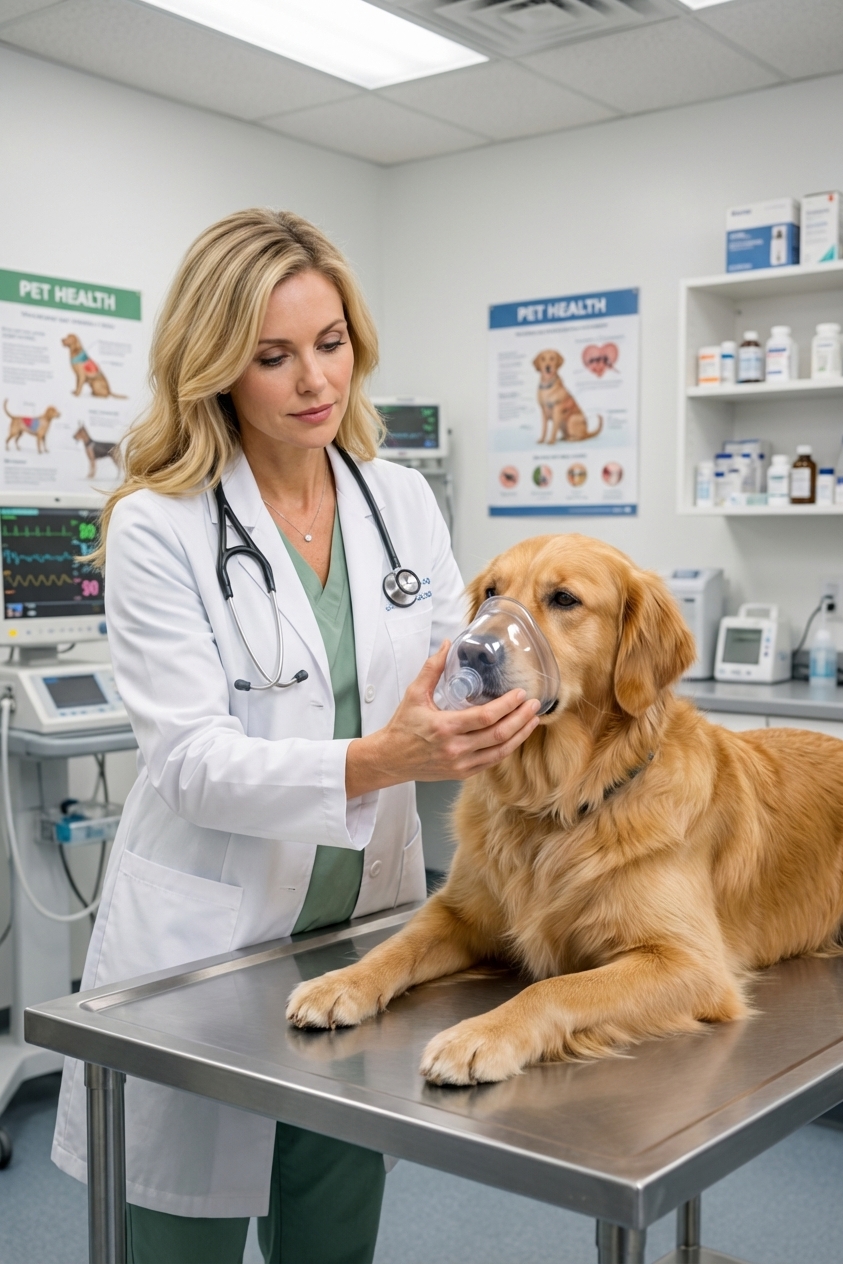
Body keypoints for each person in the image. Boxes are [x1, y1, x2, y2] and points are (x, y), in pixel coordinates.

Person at [51, 208, 541, 1264]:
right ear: (217, 364)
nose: (315, 379)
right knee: (182, 1237)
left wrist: (522, 678)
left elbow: (455, 662)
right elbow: (189, 763)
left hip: (358, 940)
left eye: (330, 343)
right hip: (205, 953)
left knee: (331, 1229)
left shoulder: (398, 499)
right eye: (273, 356)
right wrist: (385, 759)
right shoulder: (159, 521)